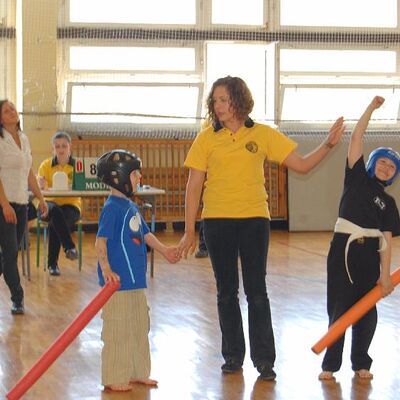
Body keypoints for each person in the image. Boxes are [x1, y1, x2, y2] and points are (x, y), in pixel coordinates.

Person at [177, 76, 345, 381]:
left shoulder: (263, 134)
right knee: (226, 291)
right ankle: (232, 356)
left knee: (257, 292)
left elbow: (302, 165)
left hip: (254, 221)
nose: (217, 105)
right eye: (214, 100)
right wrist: (190, 230)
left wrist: (329, 144)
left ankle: (265, 360)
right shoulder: (206, 139)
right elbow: (194, 185)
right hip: (217, 222)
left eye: (223, 99)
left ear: (239, 100)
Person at [318, 96, 400, 381]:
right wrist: (371, 108)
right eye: (383, 163)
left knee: (367, 313)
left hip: (369, 257)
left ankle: (361, 362)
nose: (386, 168)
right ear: (372, 163)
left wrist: (386, 275)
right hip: (344, 251)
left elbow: (386, 240)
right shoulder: (356, 177)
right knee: (339, 308)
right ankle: (330, 365)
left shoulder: (389, 204)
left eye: (392, 167)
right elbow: (357, 136)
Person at [95, 149, 180, 392]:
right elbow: (100, 242)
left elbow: (145, 234)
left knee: (139, 326)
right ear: (119, 177)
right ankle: (114, 375)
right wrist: (106, 269)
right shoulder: (112, 208)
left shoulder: (131, 206)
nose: (139, 177)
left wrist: (164, 250)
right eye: (135, 174)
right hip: (117, 286)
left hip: (136, 282)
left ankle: (137, 371)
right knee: (118, 329)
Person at [0, 99, 48, 314]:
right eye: (6, 110)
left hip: (21, 204)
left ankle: (16, 296)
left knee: (10, 253)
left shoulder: (24, 138)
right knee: (10, 254)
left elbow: (29, 172)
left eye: (13, 108)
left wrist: (41, 199)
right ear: (0, 119)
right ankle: (17, 298)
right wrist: (4, 205)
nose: (12, 111)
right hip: (4, 205)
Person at [37, 131, 81, 276]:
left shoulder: (78, 166)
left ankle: (52, 265)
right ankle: (69, 247)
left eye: (64, 146)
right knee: (55, 212)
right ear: (53, 149)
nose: (61, 150)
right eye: (57, 146)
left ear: (70, 147)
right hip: (47, 205)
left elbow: (82, 186)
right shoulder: (45, 165)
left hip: (71, 206)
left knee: (55, 221)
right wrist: (40, 185)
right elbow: (39, 187)